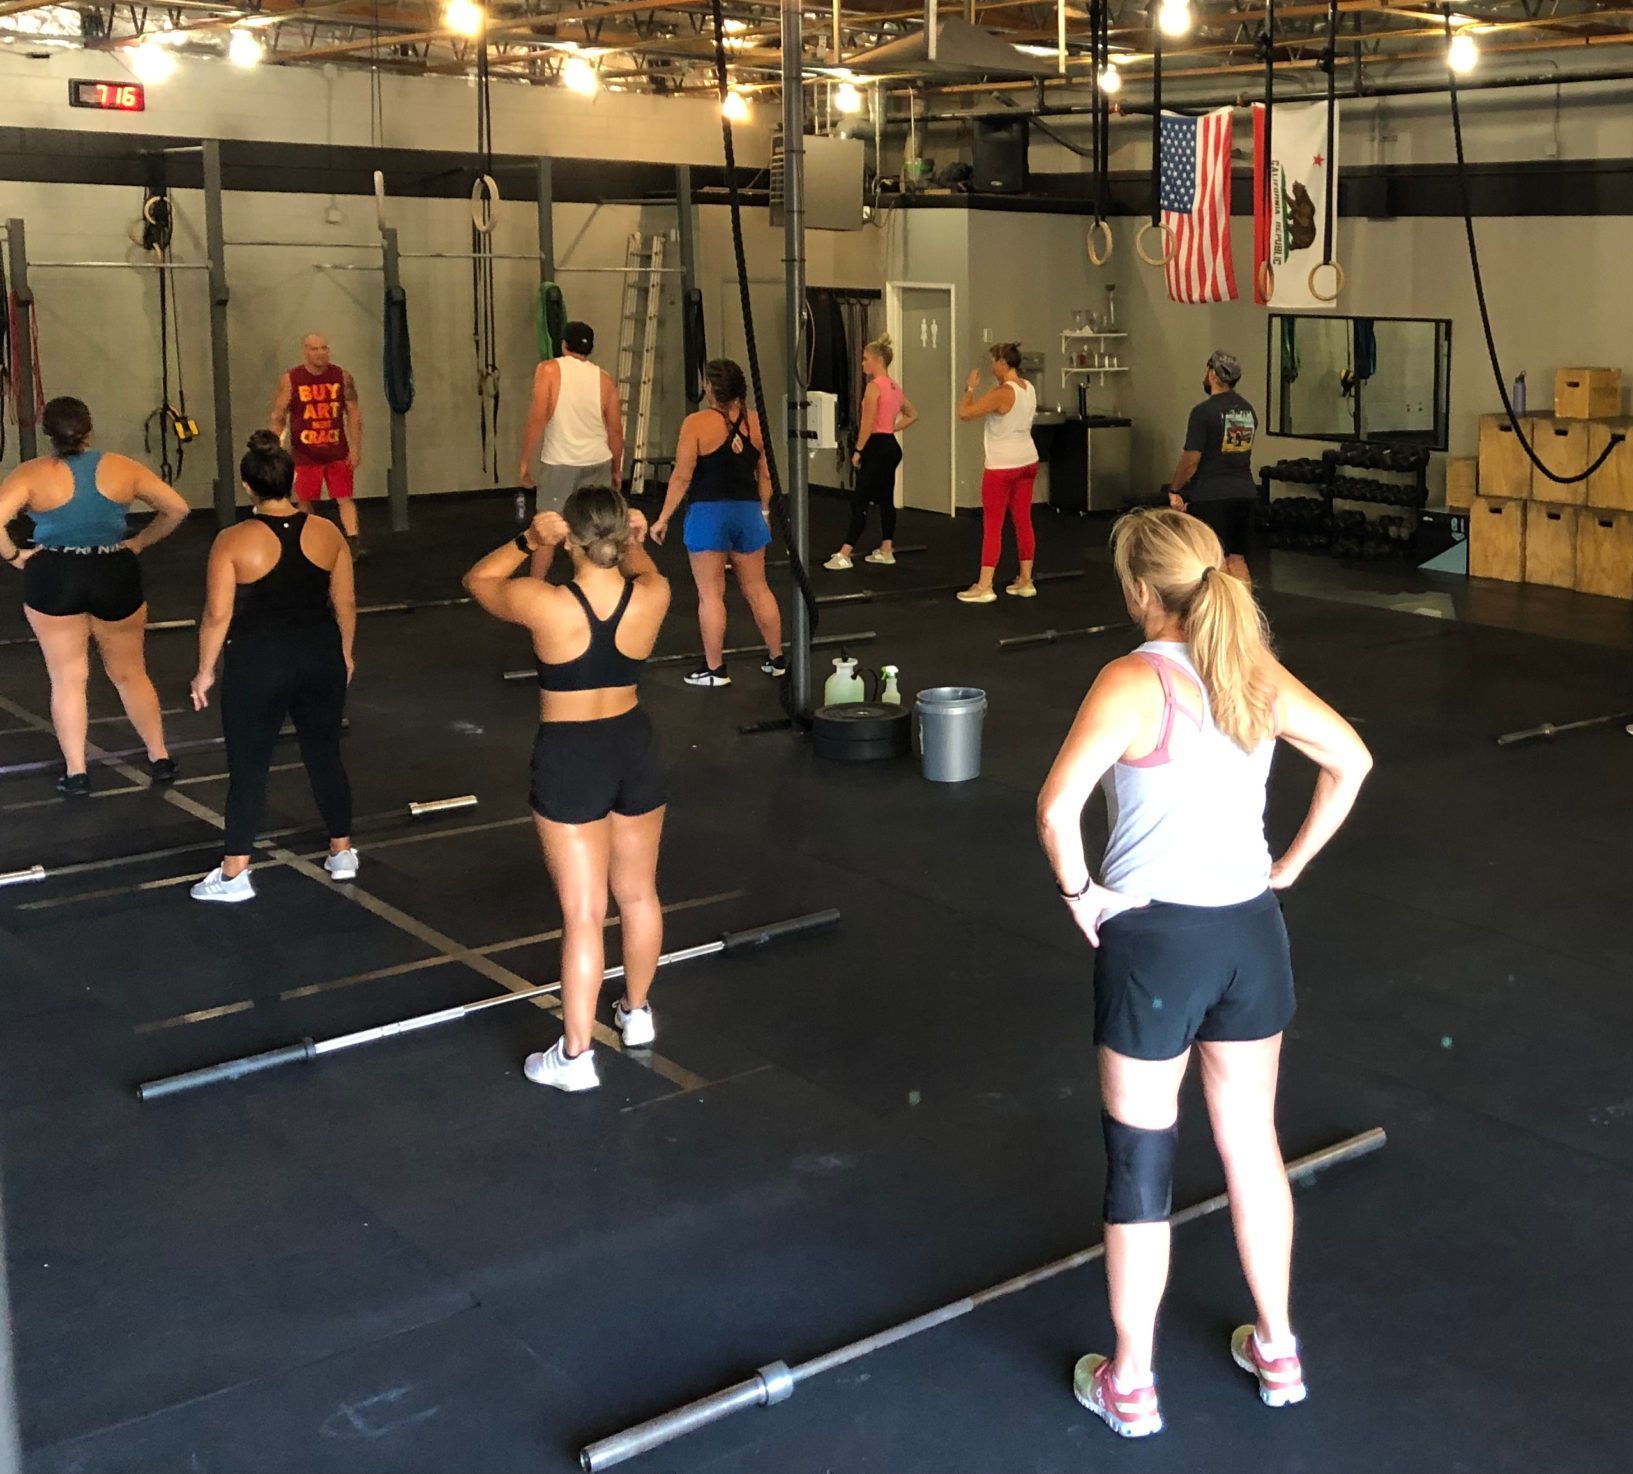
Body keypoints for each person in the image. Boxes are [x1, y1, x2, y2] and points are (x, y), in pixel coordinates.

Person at [1036, 508, 1371, 1440]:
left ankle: (1132, 1383)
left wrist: (1081, 896)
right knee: (1250, 1144)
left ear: (1140, 591)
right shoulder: (1250, 673)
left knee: (1141, 1167)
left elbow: (1057, 808)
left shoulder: (1131, 679)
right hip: (1249, 938)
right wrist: (1289, 867)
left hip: (1155, 946)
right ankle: (1277, 1350)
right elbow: (1350, 759)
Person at [463, 488, 671, 1091]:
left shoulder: (544, 601)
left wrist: (530, 541)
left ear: (570, 538)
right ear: (619, 537)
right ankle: (637, 1016)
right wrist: (634, 540)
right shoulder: (653, 593)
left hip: (572, 752)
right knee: (637, 895)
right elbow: (644, 566)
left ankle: (576, 1058)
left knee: (584, 914)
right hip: (636, 745)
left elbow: (479, 579)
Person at [187, 432, 358, 903]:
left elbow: (217, 615)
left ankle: (235, 872)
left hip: (259, 664)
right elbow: (344, 602)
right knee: (324, 753)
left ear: (248, 488)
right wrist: (344, 653)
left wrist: (205, 671)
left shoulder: (233, 540)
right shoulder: (328, 533)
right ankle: (342, 851)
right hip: (319, 656)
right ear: (294, 481)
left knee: (249, 766)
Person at [0, 396, 187, 796]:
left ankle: (77, 773)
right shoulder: (122, 467)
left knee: (68, 679)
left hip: (54, 575)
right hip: (112, 572)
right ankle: (159, 757)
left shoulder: (30, 473)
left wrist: (16, 556)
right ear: (89, 430)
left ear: (47, 434)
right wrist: (137, 543)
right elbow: (177, 508)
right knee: (130, 673)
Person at [650, 359, 784, 687]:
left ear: (710, 389)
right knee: (758, 588)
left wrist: (662, 518)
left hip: (709, 515)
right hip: (747, 513)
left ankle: (716, 671)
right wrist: (764, 513)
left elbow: (681, 477)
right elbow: (765, 473)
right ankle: (777, 659)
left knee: (710, 594)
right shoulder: (755, 422)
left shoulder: (696, 423)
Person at [518, 321, 624, 577]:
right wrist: (617, 469)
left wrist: (524, 461)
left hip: (561, 461)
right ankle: (602, 586)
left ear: (564, 344)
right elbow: (615, 430)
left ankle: (535, 587)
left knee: (547, 526)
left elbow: (538, 416)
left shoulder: (549, 370)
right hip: (598, 460)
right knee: (598, 530)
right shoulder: (604, 379)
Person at [825, 333, 918, 570]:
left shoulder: (873, 388)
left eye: (866, 359)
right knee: (886, 498)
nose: (863, 363)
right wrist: (891, 428)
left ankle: (845, 553)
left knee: (860, 501)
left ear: (877, 360)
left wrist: (858, 450)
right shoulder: (894, 386)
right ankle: (886, 549)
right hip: (890, 446)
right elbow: (913, 414)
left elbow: (867, 424)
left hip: (876, 447)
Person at [268, 334, 366, 558]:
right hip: (305, 454)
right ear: (305, 351)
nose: (320, 353)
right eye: (314, 349)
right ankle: (306, 542)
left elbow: (354, 414)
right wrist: (274, 447)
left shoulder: (342, 376)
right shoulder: (292, 379)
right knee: (305, 500)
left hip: (337, 451)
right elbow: (278, 414)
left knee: (345, 497)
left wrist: (356, 448)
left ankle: (353, 542)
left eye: (324, 348)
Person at [1167, 350, 1260, 583]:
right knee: (1236, 559)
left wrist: (1175, 489)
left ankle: (1224, 615)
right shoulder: (1248, 411)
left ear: (1212, 375)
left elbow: (1191, 460)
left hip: (1212, 497)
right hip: (1245, 494)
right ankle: (1243, 617)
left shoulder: (1203, 412)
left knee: (1214, 560)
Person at [957, 341, 1039, 603]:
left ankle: (985, 585)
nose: (991, 366)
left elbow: (965, 413)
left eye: (993, 361)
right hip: (1028, 460)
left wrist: (969, 388)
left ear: (1003, 363)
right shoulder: (1029, 388)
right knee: (1023, 520)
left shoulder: (1003, 392)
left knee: (993, 524)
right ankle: (1026, 580)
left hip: (1002, 465)